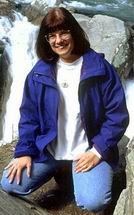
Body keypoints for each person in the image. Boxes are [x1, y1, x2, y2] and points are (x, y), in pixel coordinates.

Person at [1, 7, 129, 213]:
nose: (58, 40)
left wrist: (97, 151)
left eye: (64, 33)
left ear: (74, 33)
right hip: (48, 151)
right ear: (46, 39)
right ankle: (59, 167)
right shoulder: (39, 73)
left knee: (93, 201)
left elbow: (117, 115)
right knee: (9, 184)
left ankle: (72, 170)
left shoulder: (100, 69)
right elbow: (29, 117)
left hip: (86, 150)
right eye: (52, 35)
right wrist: (24, 151)